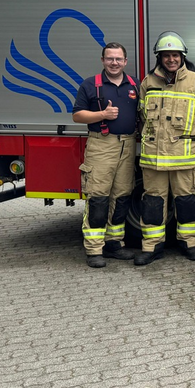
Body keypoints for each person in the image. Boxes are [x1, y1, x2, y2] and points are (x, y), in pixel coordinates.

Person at [135, 31, 195, 266]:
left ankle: (189, 243)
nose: (171, 59)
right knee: (152, 203)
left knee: (186, 202)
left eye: (175, 55)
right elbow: (142, 114)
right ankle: (152, 247)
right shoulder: (148, 82)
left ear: (182, 57)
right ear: (159, 58)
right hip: (154, 159)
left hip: (184, 158)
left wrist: (193, 133)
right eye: (166, 55)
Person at [72, 42, 139, 268]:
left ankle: (114, 244)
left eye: (118, 59)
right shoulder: (90, 85)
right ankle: (94, 249)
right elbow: (77, 116)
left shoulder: (134, 85)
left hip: (128, 145)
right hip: (101, 145)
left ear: (125, 62)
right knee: (98, 197)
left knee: (121, 197)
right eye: (110, 58)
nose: (114, 63)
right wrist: (103, 114)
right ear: (102, 60)